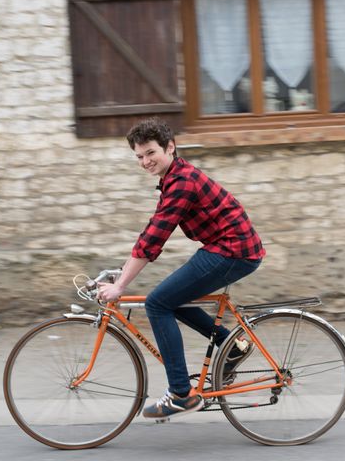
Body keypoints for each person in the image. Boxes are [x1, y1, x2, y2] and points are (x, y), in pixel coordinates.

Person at [98, 117, 265, 420]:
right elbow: (153, 230)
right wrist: (122, 271)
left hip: (233, 250)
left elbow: (155, 236)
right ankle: (233, 344)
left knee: (157, 303)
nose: (145, 161)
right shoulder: (175, 178)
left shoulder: (182, 182)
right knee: (169, 298)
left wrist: (120, 285)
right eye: (139, 156)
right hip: (227, 247)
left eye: (151, 153)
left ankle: (180, 395)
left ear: (170, 147)